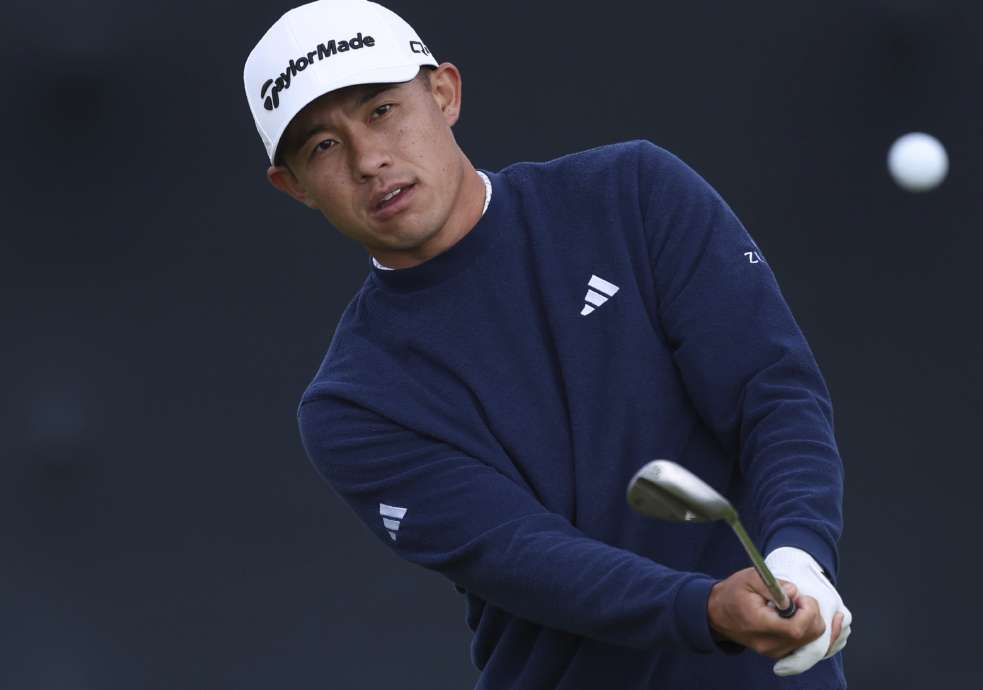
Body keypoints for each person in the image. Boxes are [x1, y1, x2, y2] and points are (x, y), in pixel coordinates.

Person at [242, 1, 852, 687]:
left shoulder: (633, 194)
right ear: (292, 186)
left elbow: (771, 395)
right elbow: (523, 556)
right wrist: (706, 609)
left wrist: (801, 558)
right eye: (323, 146)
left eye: (382, 109)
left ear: (444, 92)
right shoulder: (353, 403)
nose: (369, 158)